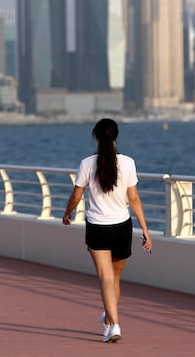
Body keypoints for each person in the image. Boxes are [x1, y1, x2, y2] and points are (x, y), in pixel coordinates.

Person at [62, 118, 153, 343]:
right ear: (116, 138)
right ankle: (111, 323)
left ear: (96, 137)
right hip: (123, 227)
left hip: (97, 227)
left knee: (106, 279)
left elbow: (76, 196)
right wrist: (146, 230)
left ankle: (113, 324)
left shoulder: (86, 164)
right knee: (114, 280)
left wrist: (67, 214)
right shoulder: (129, 163)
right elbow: (134, 199)